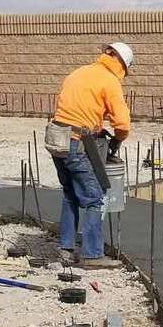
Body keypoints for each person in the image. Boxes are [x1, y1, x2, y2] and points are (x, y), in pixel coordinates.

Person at [44, 42, 133, 262]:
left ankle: (65, 248)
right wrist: (118, 140)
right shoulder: (109, 81)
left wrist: (96, 126)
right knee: (95, 199)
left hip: (57, 139)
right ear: (121, 64)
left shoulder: (78, 73)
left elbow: (75, 109)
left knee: (70, 194)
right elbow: (122, 124)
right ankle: (93, 255)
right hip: (77, 142)